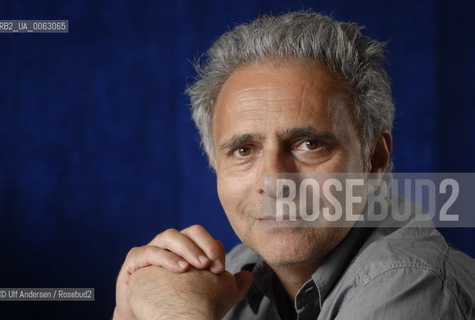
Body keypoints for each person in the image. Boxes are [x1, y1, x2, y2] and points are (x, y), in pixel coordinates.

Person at [113, 11, 475, 320]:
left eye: (309, 144)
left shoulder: (412, 282)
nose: (273, 181)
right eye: (243, 150)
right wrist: (129, 309)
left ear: (374, 159)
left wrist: (179, 313)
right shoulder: (237, 268)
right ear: (214, 164)